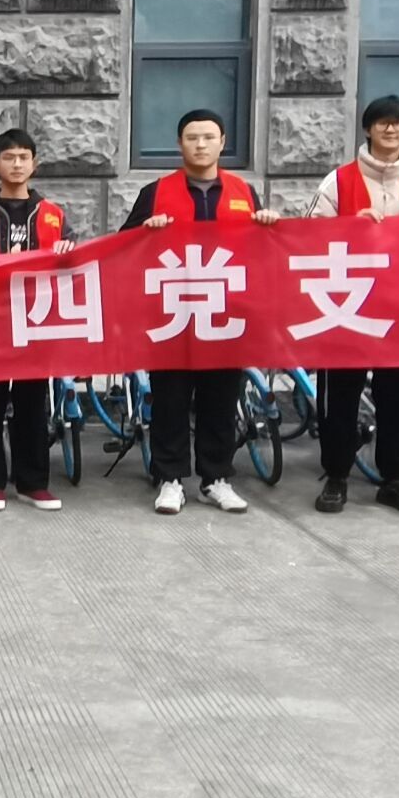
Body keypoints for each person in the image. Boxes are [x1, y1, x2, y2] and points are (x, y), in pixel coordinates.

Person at [120, 108, 280, 516]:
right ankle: (170, 478)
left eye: (209, 137)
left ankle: (216, 478)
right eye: (192, 137)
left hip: (225, 314)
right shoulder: (155, 192)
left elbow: (263, 253)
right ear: (180, 144)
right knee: (170, 399)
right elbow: (122, 246)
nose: (201, 144)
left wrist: (268, 226)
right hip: (172, 313)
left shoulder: (244, 192)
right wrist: (145, 232)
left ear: (223, 142)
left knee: (221, 400)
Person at [306, 95, 399, 517]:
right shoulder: (339, 180)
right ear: (368, 129)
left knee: (397, 398)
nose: (391, 129)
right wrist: (349, 228)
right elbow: (309, 233)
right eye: (382, 122)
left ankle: (393, 480)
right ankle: (336, 475)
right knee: (341, 397)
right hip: (348, 302)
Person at [0, 127, 75, 512]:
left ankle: (33, 483)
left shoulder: (54, 215)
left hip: (36, 323)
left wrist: (67, 251)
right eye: (9, 157)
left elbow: (74, 268)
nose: (17, 164)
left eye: (24, 157)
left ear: (35, 164)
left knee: (33, 405)